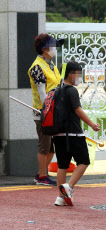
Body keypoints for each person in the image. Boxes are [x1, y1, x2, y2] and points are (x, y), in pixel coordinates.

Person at [53, 61, 100, 206]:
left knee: (62, 165)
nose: (80, 77)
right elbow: (77, 109)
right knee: (84, 161)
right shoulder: (71, 90)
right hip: (73, 133)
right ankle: (70, 187)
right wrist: (91, 124)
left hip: (58, 134)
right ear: (70, 74)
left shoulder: (56, 90)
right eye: (78, 74)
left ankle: (61, 197)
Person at [28, 33, 64, 186]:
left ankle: (41, 173)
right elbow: (42, 94)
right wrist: (48, 111)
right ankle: (42, 176)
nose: (56, 48)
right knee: (45, 144)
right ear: (44, 49)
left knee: (52, 146)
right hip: (43, 112)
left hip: (55, 110)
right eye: (53, 45)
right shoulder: (37, 67)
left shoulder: (51, 64)